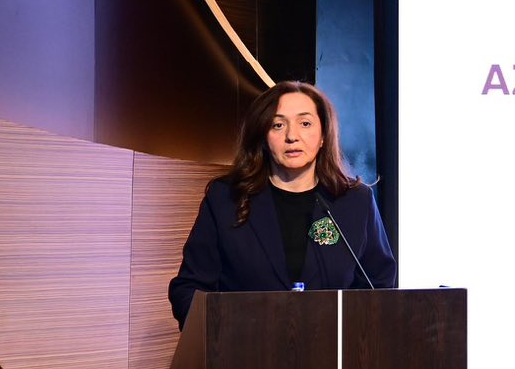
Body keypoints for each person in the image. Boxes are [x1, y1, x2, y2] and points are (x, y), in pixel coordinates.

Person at [169, 80, 396, 327]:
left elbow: (379, 287)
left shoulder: (355, 201)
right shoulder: (227, 198)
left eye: (305, 123)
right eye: (278, 125)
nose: (292, 136)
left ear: (323, 135)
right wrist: (226, 331)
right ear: (263, 137)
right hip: (245, 346)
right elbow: (188, 289)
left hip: (334, 347)